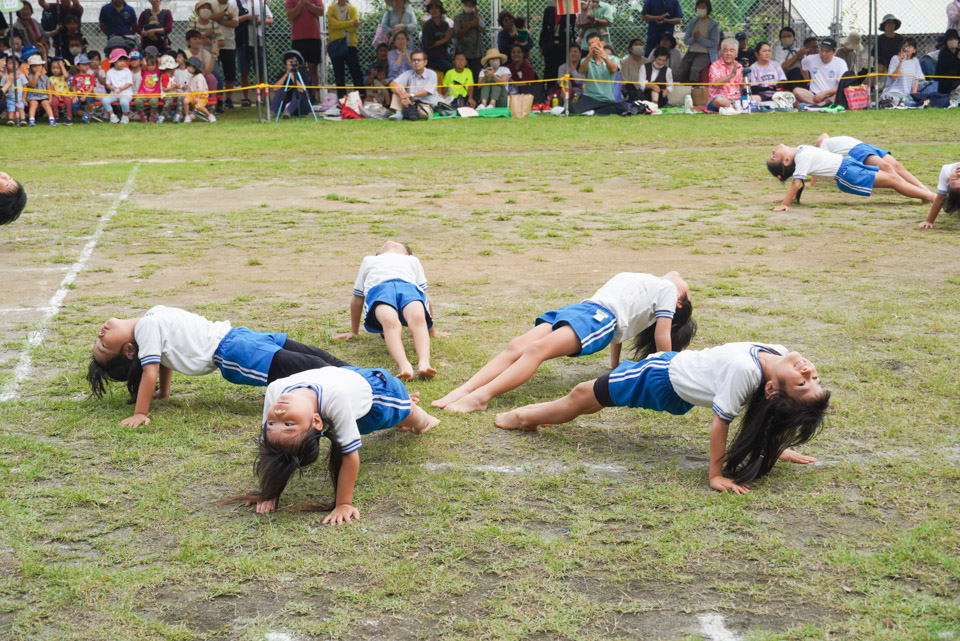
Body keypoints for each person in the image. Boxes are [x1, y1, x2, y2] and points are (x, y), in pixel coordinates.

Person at [494, 343, 830, 495]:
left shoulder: (749, 372)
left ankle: (521, 417)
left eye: (803, 383)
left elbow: (722, 423)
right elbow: (762, 412)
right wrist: (773, 445)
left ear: (773, 388)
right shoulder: (776, 352)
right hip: (672, 375)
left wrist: (715, 475)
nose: (809, 372)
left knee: (582, 394)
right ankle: (535, 417)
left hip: (660, 378)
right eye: (813, 380)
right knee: (593, 399)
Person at [434, 271, 695, 413]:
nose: (682, 277)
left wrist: (666, 368)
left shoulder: (668, 291)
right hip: (581, 309)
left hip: (599, 318)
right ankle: (464, 389)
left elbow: (662, 335)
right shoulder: (646, 284)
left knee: (536, 350)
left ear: (679, 302)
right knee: (516, 345)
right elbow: (620, 336)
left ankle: (481, 396)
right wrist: (614, 366)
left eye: (688, 290)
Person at [225, 366, 439, 519]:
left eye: (276, 422)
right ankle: (407, 407)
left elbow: (349, 454)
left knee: (408, 415)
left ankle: (415, 412)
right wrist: (269, 492)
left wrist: (343, 503)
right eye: (286, 423)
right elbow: (270, 449)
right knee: (387, 417)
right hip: (351, 391)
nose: (277, 413)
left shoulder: (276, 389)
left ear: (318, 420)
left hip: (378, 392)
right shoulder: (328, 403)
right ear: (316, 421)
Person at [87, 305, 351, 427]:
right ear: (130, 350)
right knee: (310, 366)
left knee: (314, 356)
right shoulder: (145, 328)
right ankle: (358, 387)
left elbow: (162, 360)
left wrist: (164, 392)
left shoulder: (149, 318)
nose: (100, 336)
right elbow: (151, 370)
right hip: (234, 352)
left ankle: (358, 376)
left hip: (238, 336)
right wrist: (140, 413)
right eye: (104, 346)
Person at [335, 241, 449, 378]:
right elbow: (357, 298)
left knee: (418, 317)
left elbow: (425, 296)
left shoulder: (412, 260)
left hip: (409, 289)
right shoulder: (369, 260)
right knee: (390, 321)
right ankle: (404, 366)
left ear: (406, 253)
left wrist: (433, 331)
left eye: (401, 245)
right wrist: (354, 331)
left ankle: (424, 363)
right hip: (380, 291)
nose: (392, 243)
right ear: (379, 253)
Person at [767, 143, 935, 212]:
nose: (773, 151)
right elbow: (797, 183)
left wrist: (787, 199)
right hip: (847, 174)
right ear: (787, 161)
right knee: (893, 181)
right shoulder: (801, 158)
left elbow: (799, 183)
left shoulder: (801, 149)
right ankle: (931, 197)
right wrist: (785, 204)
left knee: (893, 178)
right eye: (774, 157)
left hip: (848, 165)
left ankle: (926, 196)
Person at [814, 134, 928, 192]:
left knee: (894, 167)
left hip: (861, 148)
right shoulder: (830, 142)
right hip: (860, 149)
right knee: (889, 167)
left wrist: (812, 182)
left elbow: (820, 163)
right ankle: (918, 190)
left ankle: (921, 188)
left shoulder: (825, 143)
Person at [573, 34, 625, 114]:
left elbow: (613, 70)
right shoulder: (585, 60)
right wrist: (589, 55)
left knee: (622, 108)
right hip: (589, 98)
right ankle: (596, 111)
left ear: (602, 43)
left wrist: (604, 57)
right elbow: (582, 71)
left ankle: (593, 111)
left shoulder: (613, 59)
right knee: (573, 109)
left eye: (594, 43)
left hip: (606, 99)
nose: (592, 46)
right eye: (590, 44)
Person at [235, 0, 272, 107]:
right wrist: (247, 17)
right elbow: (232, 21)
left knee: (260, 71)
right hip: (242, 42)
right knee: (244, 71)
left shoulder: (259, 2)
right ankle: (245, 98)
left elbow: (270, 19)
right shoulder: (234, 3)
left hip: (259, 42)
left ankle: (261, 97)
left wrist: (260, 20)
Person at [793, 38, 848, 107]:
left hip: (831, 95)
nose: (823, 54)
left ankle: (815, 105)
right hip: (814, 96)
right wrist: (807, 80)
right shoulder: (811, 59)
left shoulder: (840, 63)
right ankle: (819, 105)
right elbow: (802, 65)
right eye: (821, 50)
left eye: (827, 51)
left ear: (834, 53)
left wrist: (825, 93)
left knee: (841, 93)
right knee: (796, 91)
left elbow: (842, 86)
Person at [284, 0, 324, 95]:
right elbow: (290, 15)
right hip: (298, 38)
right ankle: (301, 94)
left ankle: (313, 95)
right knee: (299, 67)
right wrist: (299, 4)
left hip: (314, 36)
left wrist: (306, 3)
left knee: (313, 67)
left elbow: (321, 12)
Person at [326, 0, 362, 98]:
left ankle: (361, 96)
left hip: (350, 44)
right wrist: (350, 23)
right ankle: (341, 98)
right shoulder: (331, 8)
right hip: (336, 45)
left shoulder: (353, 8)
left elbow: (354, 28)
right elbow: (333, 25)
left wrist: (339, 24)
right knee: (339, 74)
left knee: (356, 72)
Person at [388, 49, 439, 118]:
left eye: (419, 60)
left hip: (426, 104)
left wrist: (409, 95)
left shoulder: (432, 74)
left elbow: (426, 92)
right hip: (411, 102)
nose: (416, 62)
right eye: (414, 60)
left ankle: (406, 113)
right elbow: (392, 84)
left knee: (424, 114)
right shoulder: (408, 73)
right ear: (411, 62)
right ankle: (399, 112)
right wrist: (402, 96)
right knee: (398, 86)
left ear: (425, 62)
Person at [677, 0, 718, 84]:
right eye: (699, 7)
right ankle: (678, 89)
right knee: (680, 71)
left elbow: (714, 42)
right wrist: (694, 38)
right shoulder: (692, 22)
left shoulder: (713, 24)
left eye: (703, 7)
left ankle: (694, 89)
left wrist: (699, 39)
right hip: (691, 52)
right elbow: (686, 40)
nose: (701, 9)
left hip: (705, 54)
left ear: (708, 9)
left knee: (695, 69)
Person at [539, 1, 575, 88]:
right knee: (549, 70)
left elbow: (572, 26)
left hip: (563, 46)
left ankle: (561, 90)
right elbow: (544, 28)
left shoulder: (568, 10)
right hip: (550, 46)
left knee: (562, 68)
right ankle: (549, 91)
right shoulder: (549, 10)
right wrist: (541, 45)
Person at [210, 0, 238, 108]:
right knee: (214, 73)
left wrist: (219, 20)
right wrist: (225, 15)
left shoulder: (233, 7)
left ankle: (228, 99)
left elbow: (234, 23)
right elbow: (208, 17)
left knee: (230, 73)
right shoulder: (210, 4)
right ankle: (216, 98)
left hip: (229, 44)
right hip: (213, 44)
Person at [271, 48, 312, 117]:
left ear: (298, 64)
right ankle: (272, 112)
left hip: (301, 106)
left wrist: (292, 75)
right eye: (290, 61)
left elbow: (302, 90)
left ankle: (288, 112)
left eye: (294, 61)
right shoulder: (281, 75)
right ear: (286, 63)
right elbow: (275, 88)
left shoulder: (304, 74)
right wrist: (287, 74)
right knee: (281, 91)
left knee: (297, 92)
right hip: (286, 103)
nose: (292, 63)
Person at [919, 161, 960, 229]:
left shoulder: (947, 171)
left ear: (948, 180)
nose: (959, 174)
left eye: (954, 179)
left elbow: (940, 198)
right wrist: (929, 221)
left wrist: (929, 221)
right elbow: (940, 197)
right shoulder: (947, 170)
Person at [705, 38, 742, 113]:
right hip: (718, 100)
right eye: (725, 50)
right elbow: (715, 84)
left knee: (756, 98)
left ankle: (735, 106)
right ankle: (736, 107)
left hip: (736, 99)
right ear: (721, 53)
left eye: (731, 51)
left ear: (736, 54)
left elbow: (742, 86)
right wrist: (731, 74)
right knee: (718, 100)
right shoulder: (715, 66)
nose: (728, 53)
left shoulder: (739, 66)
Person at [882, 37, 923, 102]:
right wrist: (900, 61)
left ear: (914, 50)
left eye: (909, 46)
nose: (906, 48)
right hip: (894, 91)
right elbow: (894, 77)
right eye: (904, 46)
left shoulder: (915, 61)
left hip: (907, 94)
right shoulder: (895, 59)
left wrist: (914, 93)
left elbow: (917, 78)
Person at [455, 0, 486, 81]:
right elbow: (458, 34)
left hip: (476, 52)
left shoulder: (478, 17)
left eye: (471, 4)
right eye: (467, 3)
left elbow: (482, 29)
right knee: (461, 76)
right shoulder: (458, 18)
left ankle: (476, 92)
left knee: (476, 75)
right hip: (462, 51)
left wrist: (477, 17)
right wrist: (470, 25)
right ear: (463, 4)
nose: (469, 5)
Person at [422, 0, 454, 78]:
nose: (434, 10)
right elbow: (428, 45)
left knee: (459, 66)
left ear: (440, 10)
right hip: (432, 57)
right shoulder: (427, 25)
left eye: (436, 8)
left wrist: (449, 36)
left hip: (444, 54)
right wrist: (445, 39)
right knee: (451, 70)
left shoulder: (445, 24)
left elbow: (448, 43)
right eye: (432, 8)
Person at [24, 53, 55, 126]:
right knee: (33, 104)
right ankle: (31, 119)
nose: (37, 68)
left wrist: (50, 98)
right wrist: (36, 76)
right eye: (34, 66)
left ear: (42, 67)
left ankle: (51, 119)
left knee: (46, 104)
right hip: (33, 96)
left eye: (39, 65)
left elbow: (49, 89)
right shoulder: (30, 76)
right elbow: (32, 85)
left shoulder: (46, 77)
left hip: (43, 96)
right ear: (31, 68)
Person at [183, 55, 216, 122]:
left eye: (190, 67)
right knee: (185, 101)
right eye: (188, 66)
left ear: (195, 68)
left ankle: (210, 115)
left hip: (201, 96)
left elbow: (200, 88)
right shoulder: (192, 77)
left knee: (199, 106)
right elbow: (191, 87)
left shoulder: (200, 77)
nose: (188, 68)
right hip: (193, 95)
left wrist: (198, 97)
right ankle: (187, 116)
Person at [135, 52, 161, 121]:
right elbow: (143, 63)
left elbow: (159, 61)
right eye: (149, 65)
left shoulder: (157, 71)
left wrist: (154, 58)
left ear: (156, 65)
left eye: (153, 65)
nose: (151, 67)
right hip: (143, 93)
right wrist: (147, 59)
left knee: (154, 102)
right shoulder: (145, 71)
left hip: (154, 94)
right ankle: (142, 115)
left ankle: (152, 116)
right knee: (137, 101)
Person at [70, 52, 95, 122]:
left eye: (87, 64)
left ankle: (90, 113)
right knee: (74, 106)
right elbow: (74, 87)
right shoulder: (75, 77)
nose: (86, 66)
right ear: (77, 66)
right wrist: (74, 96)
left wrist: (85, 96)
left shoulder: (90, 76)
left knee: (90, 99)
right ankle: (84, 116)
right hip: (78, 95)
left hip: (88, 94)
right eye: (84, 65)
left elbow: (91, 87)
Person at [46, 55, 71, 124]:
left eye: (58, 68)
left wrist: (62, 65)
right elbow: (51, 89)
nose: (55, 70)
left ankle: (69, 117)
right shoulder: (50, 78)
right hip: (56, 95)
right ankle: (56, 117)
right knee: (54, 102)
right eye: (53, 68)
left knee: (68, 102)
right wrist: (56, 95)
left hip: (66, 94)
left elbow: (66, 76)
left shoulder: (64, 76)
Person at [935, 29, 960, 95]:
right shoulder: (943, 53)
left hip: (957, 80)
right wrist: (958, 58)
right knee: (952, 73)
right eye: (950, 39)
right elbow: (949, 67)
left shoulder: (958, 51)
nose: (953, 41)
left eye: (955, 39)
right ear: (946, 42)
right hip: (944, 83)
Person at [156, 54, 177, 123]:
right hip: (166, 95)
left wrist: (178, 85)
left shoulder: (172, 76)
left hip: (173, 94)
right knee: (169, 101)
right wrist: (173, 87)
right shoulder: (164, 76)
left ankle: (178, 114)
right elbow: (164, 89)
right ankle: (162, 116)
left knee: (181, 97)